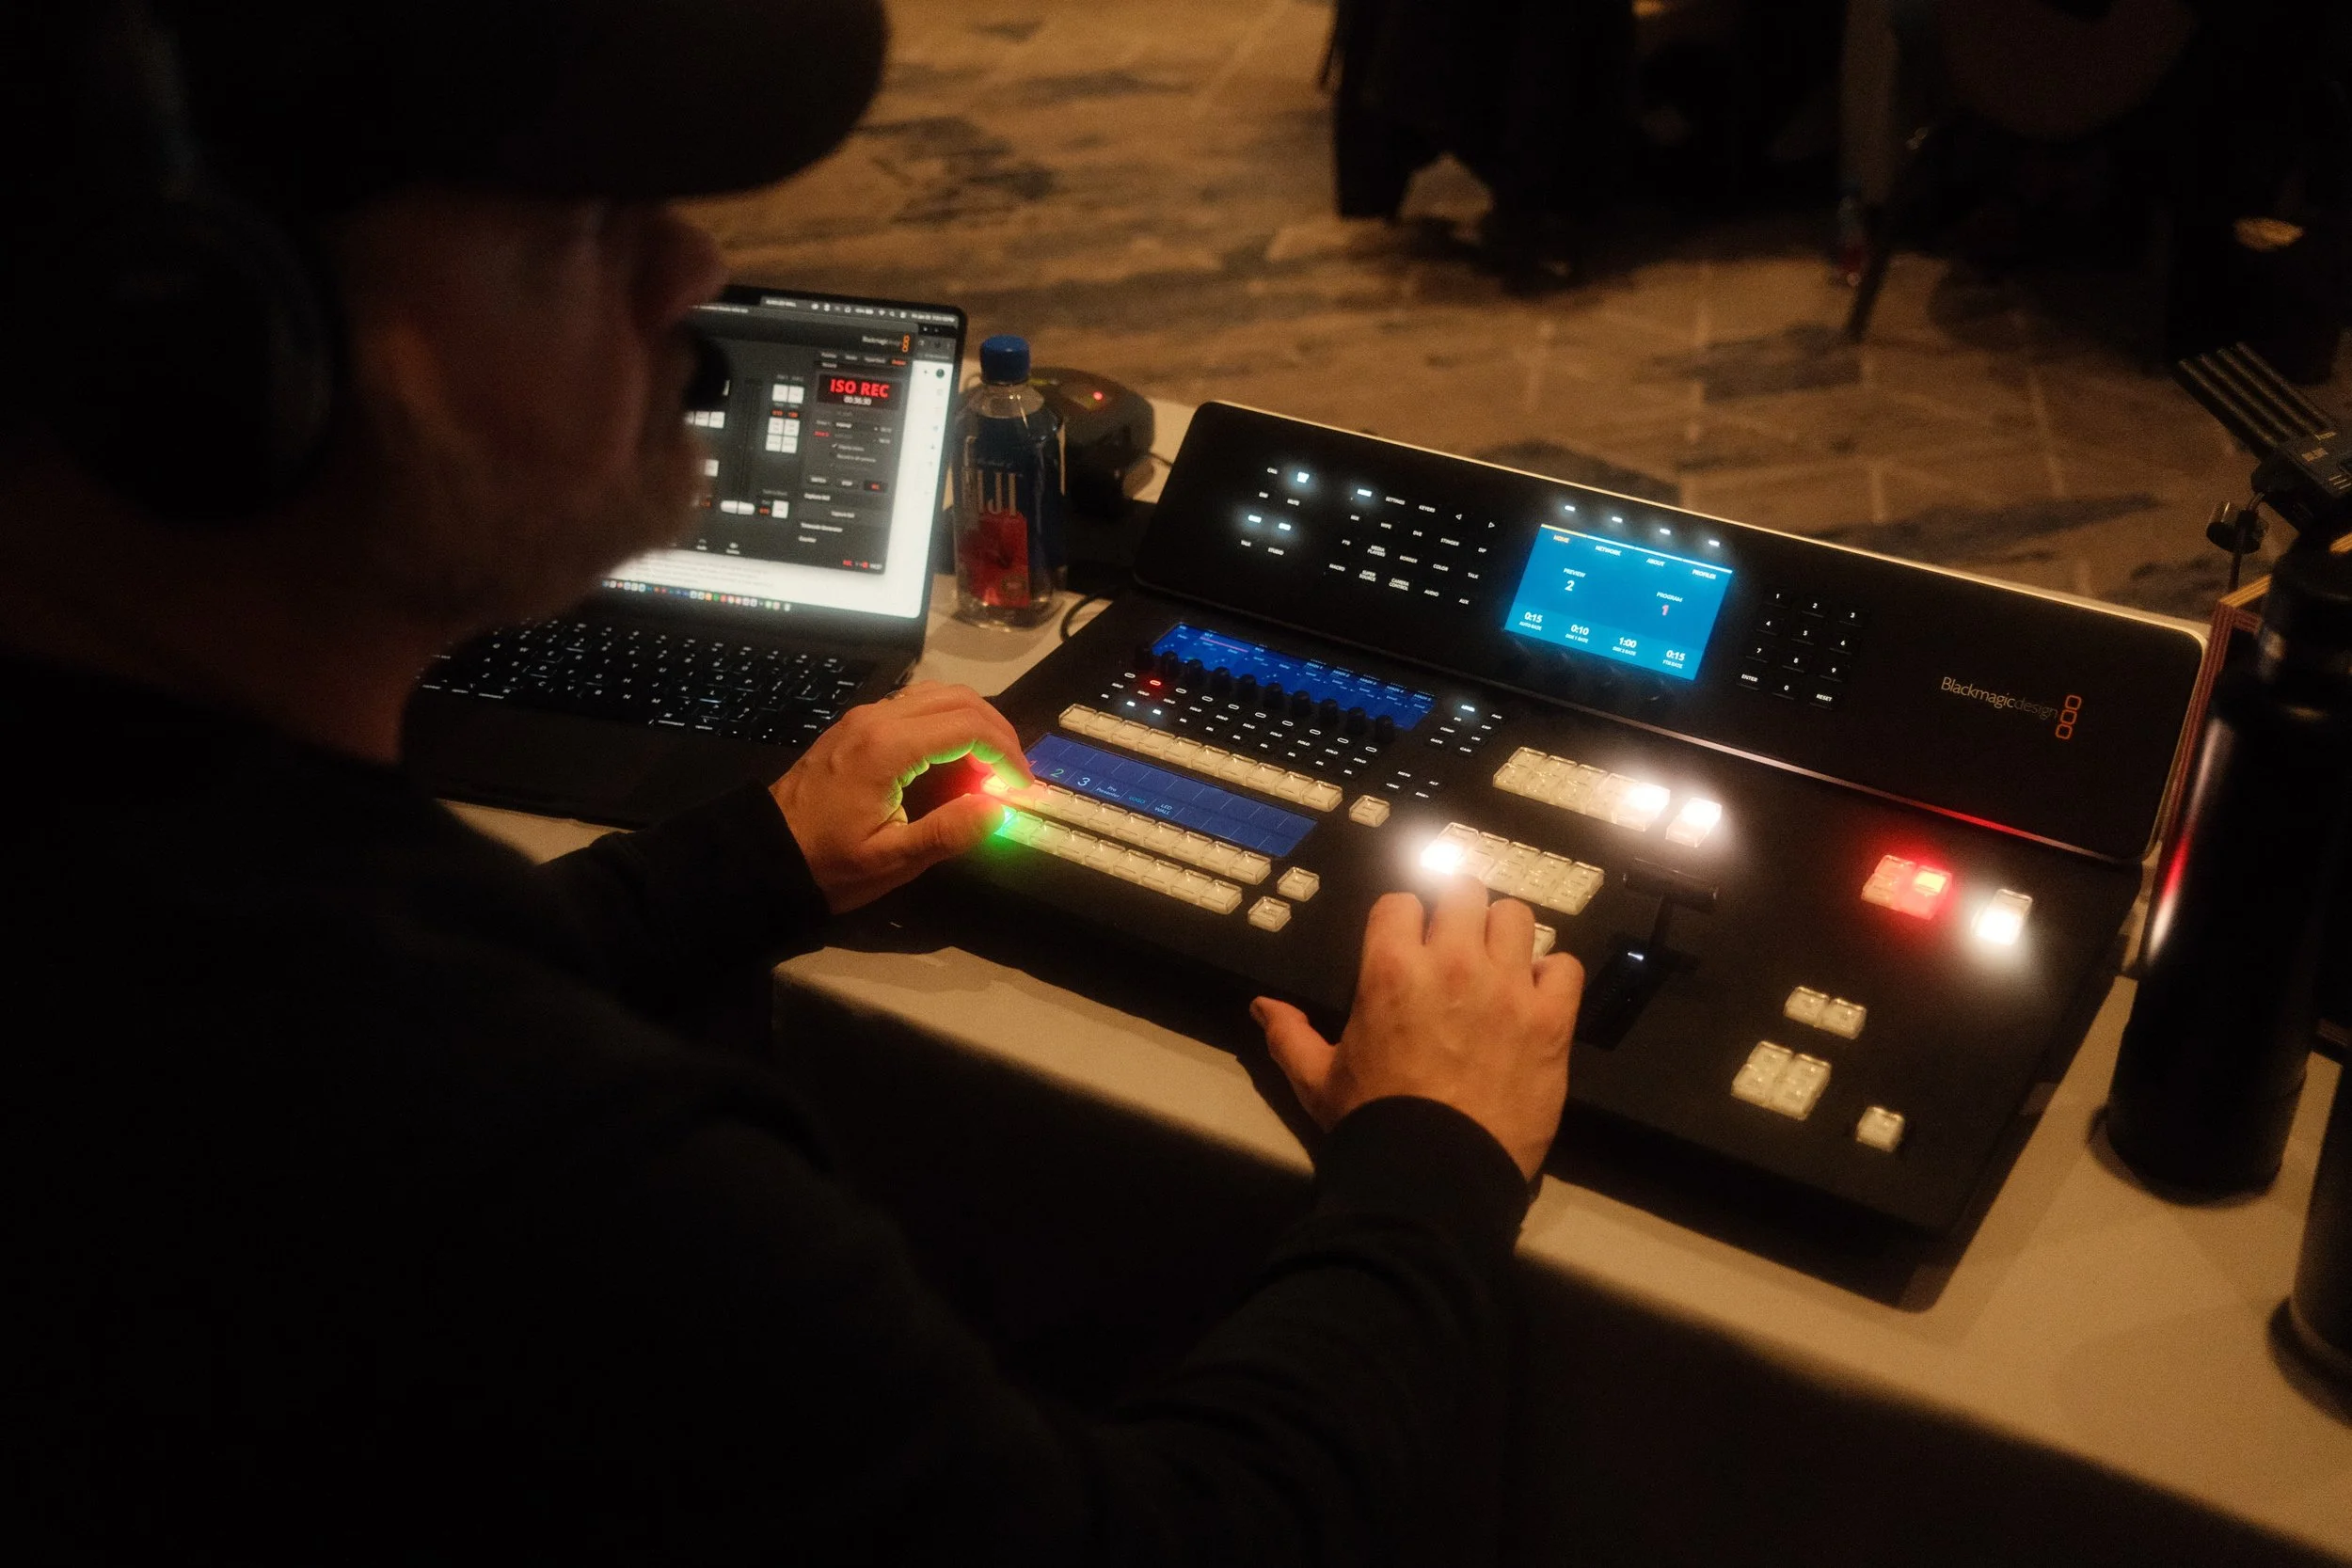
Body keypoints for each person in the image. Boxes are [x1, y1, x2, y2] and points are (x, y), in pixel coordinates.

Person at [0, 1, 1583, 1561]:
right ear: (202, 346)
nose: (688, 275)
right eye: (576, 231)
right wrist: (1431, 1155)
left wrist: (751, 857)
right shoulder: (525, 1153)